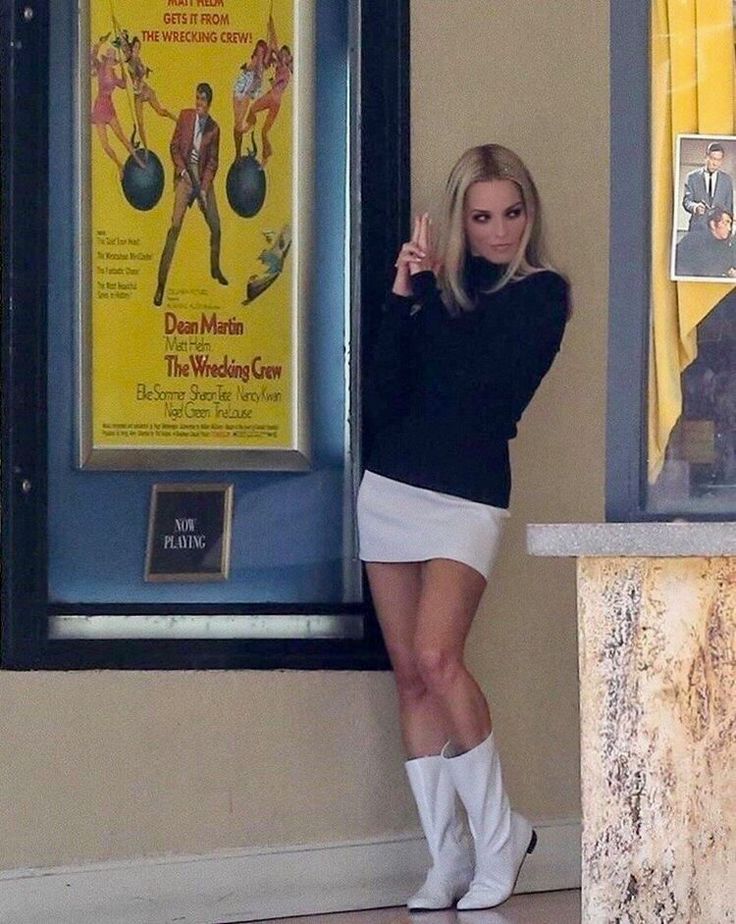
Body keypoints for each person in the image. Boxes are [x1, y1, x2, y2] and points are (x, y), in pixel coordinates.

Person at [357, 144, 569, 911]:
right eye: (481, 218)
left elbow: (483, 389)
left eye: (512, 213)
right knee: (410, 674)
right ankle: (447, 859)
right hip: (388, 488)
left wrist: (436, 305)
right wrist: (405, 293)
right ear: (460, 219)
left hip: (467, 493)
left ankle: (501, 837)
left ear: (528, 212)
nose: (500, 232)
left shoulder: (543, 296)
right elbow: (385, 395)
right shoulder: (429, 295)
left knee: (441, 657)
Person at [154, 83, 228, 307]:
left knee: (216, 227)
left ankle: (215, 269)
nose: (199, 104)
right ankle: (160, 286)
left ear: (209, 103)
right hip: (185, 176)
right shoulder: (185, 117)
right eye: (197, 99)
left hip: (203, 179)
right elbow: (174, 147)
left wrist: (204, 189)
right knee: (174, 228)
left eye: (203, 100)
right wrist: (183, 171)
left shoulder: (214, 129)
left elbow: (213, 162)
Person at [90, 37, 145, 178]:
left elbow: (123, 85)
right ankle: (120, 165)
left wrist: (122, 71)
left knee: (121, 137)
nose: (110, 58)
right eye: (109, 56)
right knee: (105, 144)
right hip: (99, 107)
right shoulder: (100, 67)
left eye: (112, 57)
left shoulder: (114, 74)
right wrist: (100, 43)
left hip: (109, 107)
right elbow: (92, 55)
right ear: (106, 58)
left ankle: (138, 160)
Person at [242, 14, 292, 165]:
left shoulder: (286, 70)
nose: (281, 57)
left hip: (274, 100)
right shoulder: (280, 63)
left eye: (285, 56)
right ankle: (252, 126)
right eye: (281, 55)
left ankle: (265, 156)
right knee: (253, 111)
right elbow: (274, 43)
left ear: (288, 58)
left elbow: (276, 48)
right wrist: (271, 25)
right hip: (272, 98)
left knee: (265, 131)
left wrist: (274, 80)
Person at [118, 33, 177, 151]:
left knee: (160, 111)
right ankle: (145, 149)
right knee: (140, 124)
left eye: (139, 48)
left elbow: (141, 73)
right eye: (135, 47)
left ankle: (176, 120)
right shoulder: (129, 58)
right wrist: (122, 38)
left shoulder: (137, 60)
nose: (137, 50)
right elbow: (124, 46)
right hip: (137, 95)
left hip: (145, 90)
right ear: (132, 47)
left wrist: (145, 70)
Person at [232, 38, 271, 160]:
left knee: (239, 125)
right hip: (240, 85)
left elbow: (257, 78)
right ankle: (238, 152)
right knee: (237, 123)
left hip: (249, 91)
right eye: (258, 50)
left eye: (262, 51)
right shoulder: (254, 59)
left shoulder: (262, 63)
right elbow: (246, 70)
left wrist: (249, 90)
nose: (259, 53)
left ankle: (239, 153)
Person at [682, 141, 734, 231]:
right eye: (713, 158)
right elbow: (687, 201)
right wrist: (695, 207)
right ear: (706, 157)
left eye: (719, 160)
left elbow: (729, 208)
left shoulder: (727, 180)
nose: (715, 163)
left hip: (718, 230)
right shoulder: (692, 177)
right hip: (697, 228)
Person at [675, 205, 736, 278]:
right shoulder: (692, 241)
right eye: (725, 223)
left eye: (730, 224)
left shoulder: (726, 246)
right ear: (713, 224)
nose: (729, 229)